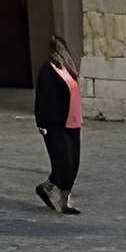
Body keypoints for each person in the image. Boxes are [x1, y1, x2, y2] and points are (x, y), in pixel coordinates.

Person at [32, 34, 83, 214]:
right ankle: (56, 196)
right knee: (63, 161)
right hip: (55, 123)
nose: (61, 52)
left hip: (73, 122)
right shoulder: (47, 70)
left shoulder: (69, 70)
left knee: (74, 162)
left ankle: (57, 195)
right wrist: (41, 122)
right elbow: (42, 98)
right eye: (57, 49)